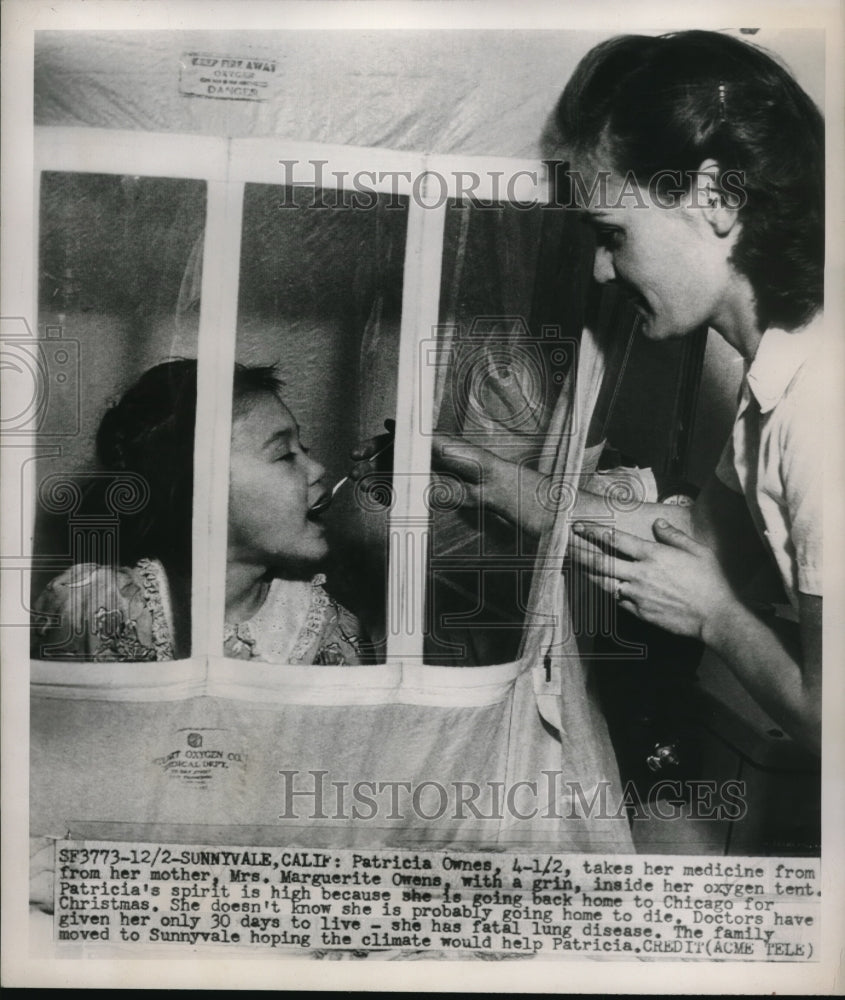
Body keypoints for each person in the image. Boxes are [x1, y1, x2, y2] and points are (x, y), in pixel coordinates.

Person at [429, 31, 824, 752]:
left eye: (612, 234)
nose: (603, 272)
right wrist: (508, 489)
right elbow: (689, 545)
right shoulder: (775, 384)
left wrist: (715, 617)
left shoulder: (818, 409)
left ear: (712, 198)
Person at [31, 359, 362, 665]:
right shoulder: (91, 608)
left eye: (303, 449)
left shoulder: (332, 631)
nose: (317, 468)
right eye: (285, 455)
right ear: (199, 487)